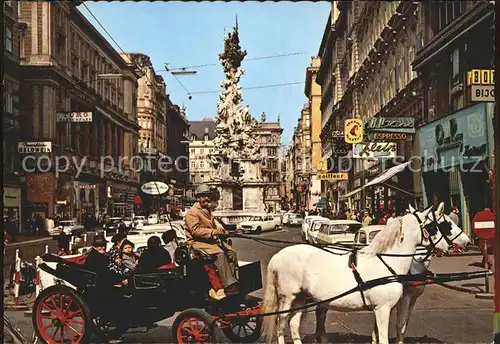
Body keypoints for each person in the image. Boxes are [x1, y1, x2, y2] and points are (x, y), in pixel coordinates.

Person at [185, 184, 239, 299]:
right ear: (198, 198)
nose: (207, 198)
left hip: (210, 242)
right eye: (204, 196)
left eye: (208, 196)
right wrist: (214, 232)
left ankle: (231, 281)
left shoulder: (208, 211)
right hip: (197, 244)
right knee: (219, 254)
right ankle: (227, 286)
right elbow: (195, 231)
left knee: (231, 253)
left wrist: (224, 232)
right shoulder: (192, 212)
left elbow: (215, 226)